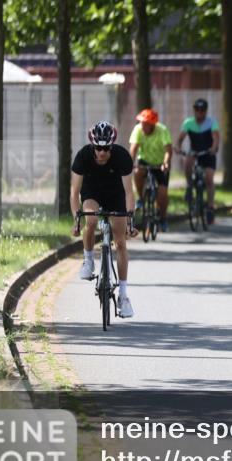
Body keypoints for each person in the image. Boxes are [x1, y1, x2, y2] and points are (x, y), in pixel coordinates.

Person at [70, 121, 138, 317]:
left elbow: (128, 192)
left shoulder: (122, 157)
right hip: (92, 192)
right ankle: (89, 260)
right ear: (93, 145)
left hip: (116, 195)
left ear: (111, 145)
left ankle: (123, 296)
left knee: (121, 242)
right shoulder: (83, 156)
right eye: (98, 148)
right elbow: (74, 192)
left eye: (106, 148)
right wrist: (77, 219)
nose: (101, 152)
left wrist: (130, 219)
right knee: (90, 220)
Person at [176, 98, 220, 225]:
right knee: (187, 164)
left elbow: (216, 137)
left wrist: (213, 147)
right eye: (197, 110)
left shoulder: (212, 122)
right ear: (194, 110)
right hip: (195, 152)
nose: (199, 112)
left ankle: (210, 207)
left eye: (202, 110)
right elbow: (180, 139)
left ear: (205, 111)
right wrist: (178, 148)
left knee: (209, 179)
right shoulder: (188, 123)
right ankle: (189, 186)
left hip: (208, 153)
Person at [129, 108, 173, 232]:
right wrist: (130, 163)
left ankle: (163, 217)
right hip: (145, 161)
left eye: (146, 123)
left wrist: (165, 163)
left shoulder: (162, 130)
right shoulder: (138, 129)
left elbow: (168, 151)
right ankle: (141, 198)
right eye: (142, 122)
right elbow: (133, 149)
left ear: (153, 124)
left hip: (160, 164)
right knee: (138, 173)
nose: (143, 126)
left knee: (162, 193)